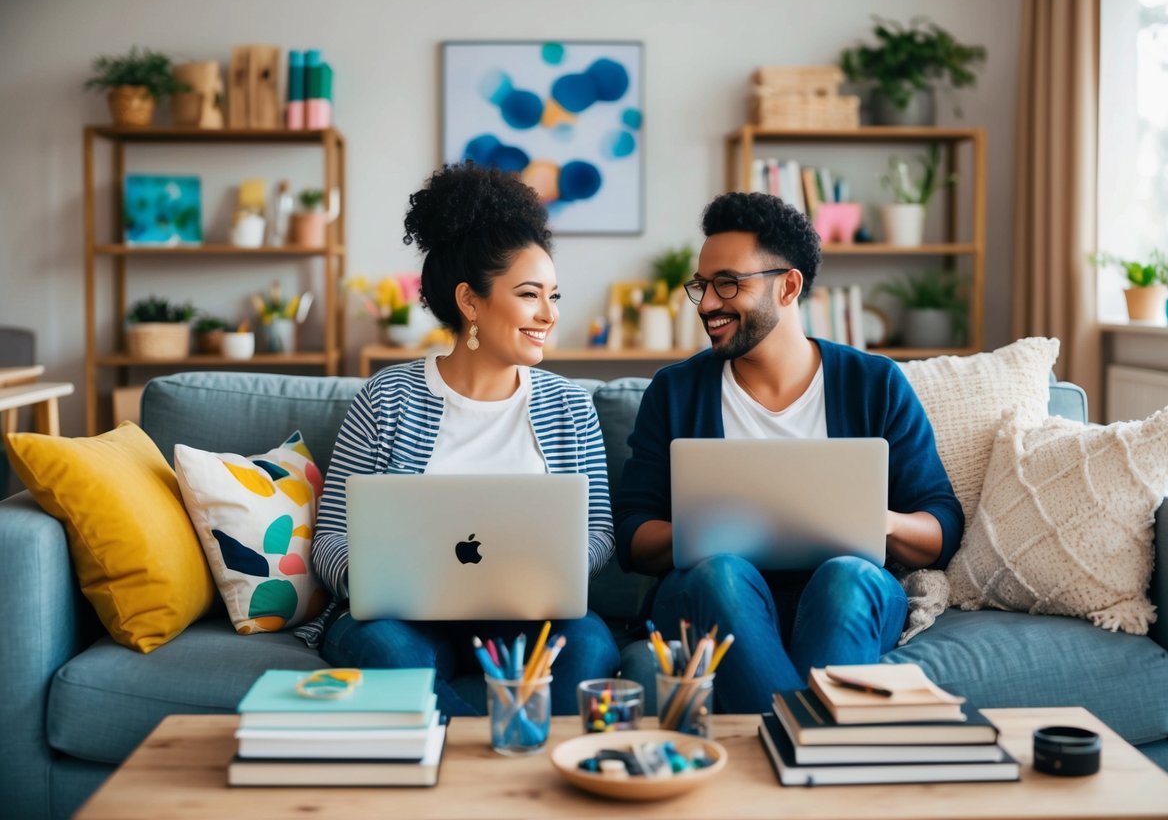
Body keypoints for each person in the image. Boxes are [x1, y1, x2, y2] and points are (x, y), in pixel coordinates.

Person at [614, 191, 963, 714]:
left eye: (728, 284)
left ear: (789, 286)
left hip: (839, 594)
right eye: (702, 286)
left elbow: (941, 526)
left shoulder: (874, 384)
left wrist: (876, 521)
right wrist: (705, 529)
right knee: (719, 572)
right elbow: (634, 535)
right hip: (715, 595)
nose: (708, 304)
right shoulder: (675, 392)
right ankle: (811, 748)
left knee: (848, 575)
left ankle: (787, 746)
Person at [297, 163, 619, 716]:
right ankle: (500, 763)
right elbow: (330, 537)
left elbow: (600, 530)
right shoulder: (386, 398)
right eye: (529, 295)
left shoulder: (569, 406)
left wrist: (557, 570)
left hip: (530, 616)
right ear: (470, 302)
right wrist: (376, 582)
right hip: (403, 620)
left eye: (553, 295)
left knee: (589, 643)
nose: (549, 314)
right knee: (384, 648)